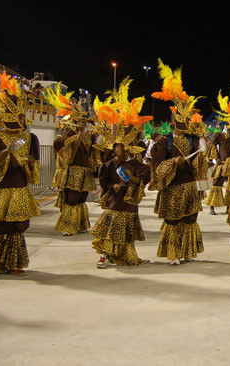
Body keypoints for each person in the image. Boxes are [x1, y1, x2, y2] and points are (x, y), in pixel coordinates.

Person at [90, 77, 153, 268]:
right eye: (117, 147)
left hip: (130, 204)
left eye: (123, 148)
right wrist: (113, 185)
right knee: (109, 230)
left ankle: (124, 256)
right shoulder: (108, 165)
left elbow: (143, 181)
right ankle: (104, 256)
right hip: (115, 202)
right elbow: (104, 183)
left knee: (126, 233)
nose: (119, 150)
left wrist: (131, 177)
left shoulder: (137, 164)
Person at [150, 59, 205, 265]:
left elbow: (201, 165)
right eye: (181, 121)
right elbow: (157, 166)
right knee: (173, 221)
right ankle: (174, 253)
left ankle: (188, 250)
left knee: (190, 219)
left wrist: (200, 158)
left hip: (190, 187)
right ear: (174, 121)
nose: (185, 124)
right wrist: (173, 161)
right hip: (173, 188)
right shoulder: (166, 141)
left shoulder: (193, 140)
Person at [0, 72, 41, 276]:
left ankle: (14, 263)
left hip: (19, 189)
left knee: (17, 227)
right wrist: (6, 152)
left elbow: (33, 164)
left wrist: (29, 162)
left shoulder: (29, 139)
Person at [45, 85, 98, 236]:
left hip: (85, 171)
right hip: (73, 170)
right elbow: (70, 150)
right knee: (72, 199)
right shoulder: (68, 131)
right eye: (80, 120)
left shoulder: (89, 134)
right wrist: (79, 134)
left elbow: (93, 152)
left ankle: (80, 224)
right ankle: (67, 226)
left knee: (81, 199)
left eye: (84, 120)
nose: (83, 122)